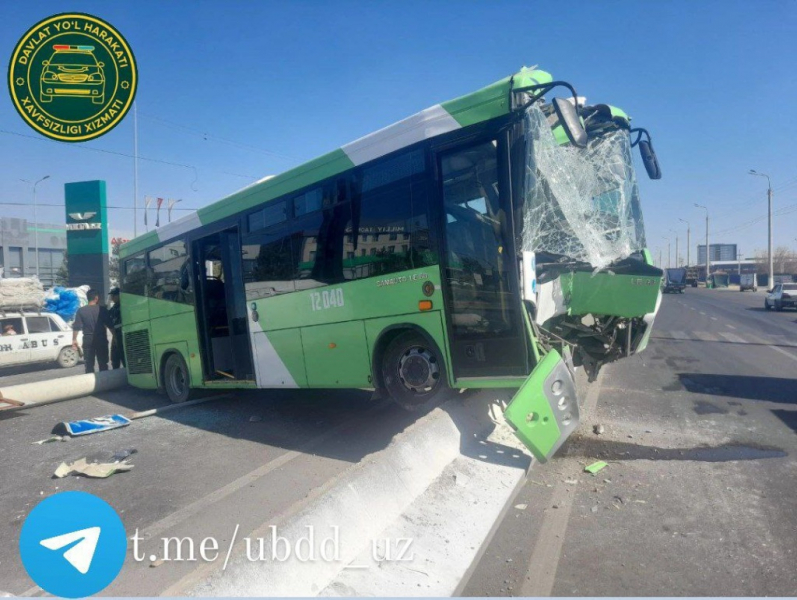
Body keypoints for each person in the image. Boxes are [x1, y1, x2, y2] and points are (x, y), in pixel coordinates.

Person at [72, 289, 113, 373]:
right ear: (96, 298)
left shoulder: (81, 311)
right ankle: (104, 383)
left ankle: (90, 381)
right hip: (101, 339)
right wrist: (115, 337)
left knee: (89, 364)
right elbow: (110, 325)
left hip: (88, 339)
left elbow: (76, 327)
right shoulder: (102, 310)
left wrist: (74, 339)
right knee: (103, 363)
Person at [108, 287, 125, 369]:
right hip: (115, 333)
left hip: (122, 333)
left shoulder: (124, 306)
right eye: (111, 296)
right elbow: (107, 315)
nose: (112, 298)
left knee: (123, 355)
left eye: (114, 296)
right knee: (114, 357)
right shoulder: (114, 307)